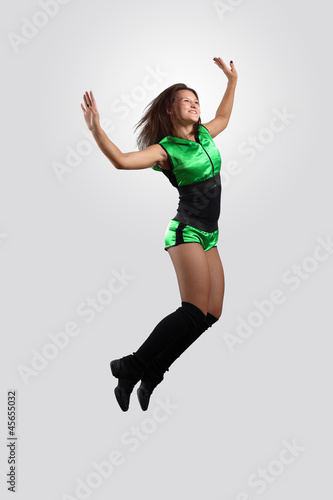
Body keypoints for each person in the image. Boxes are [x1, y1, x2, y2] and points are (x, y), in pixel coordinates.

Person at [81, 57, 238, 412]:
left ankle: (152, 372)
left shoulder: (204, 134)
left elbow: (225, 117)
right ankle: (130, 366)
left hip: (210, 234)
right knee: (193, 311)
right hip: (186, 232)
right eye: (187, 100)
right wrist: (95, 128)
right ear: (171, 108)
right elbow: (121, 160)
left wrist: (232, 81)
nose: (195, 104)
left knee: (212, 314)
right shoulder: (165, 150)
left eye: (197, 100)